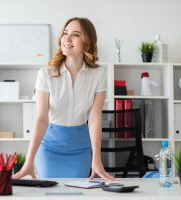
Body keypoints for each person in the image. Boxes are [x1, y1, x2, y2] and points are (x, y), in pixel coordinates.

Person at [12, 17, 115, 181]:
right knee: (50, 193)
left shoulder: (98, 74)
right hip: (50, 147)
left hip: (80, 147)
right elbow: (41, 118)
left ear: (87, 42)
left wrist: (96, 158)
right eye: (65, 33)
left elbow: (95, 117)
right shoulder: (45, 73)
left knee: (76, 194)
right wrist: (29, 160)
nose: (66, 39)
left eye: (75, 35)